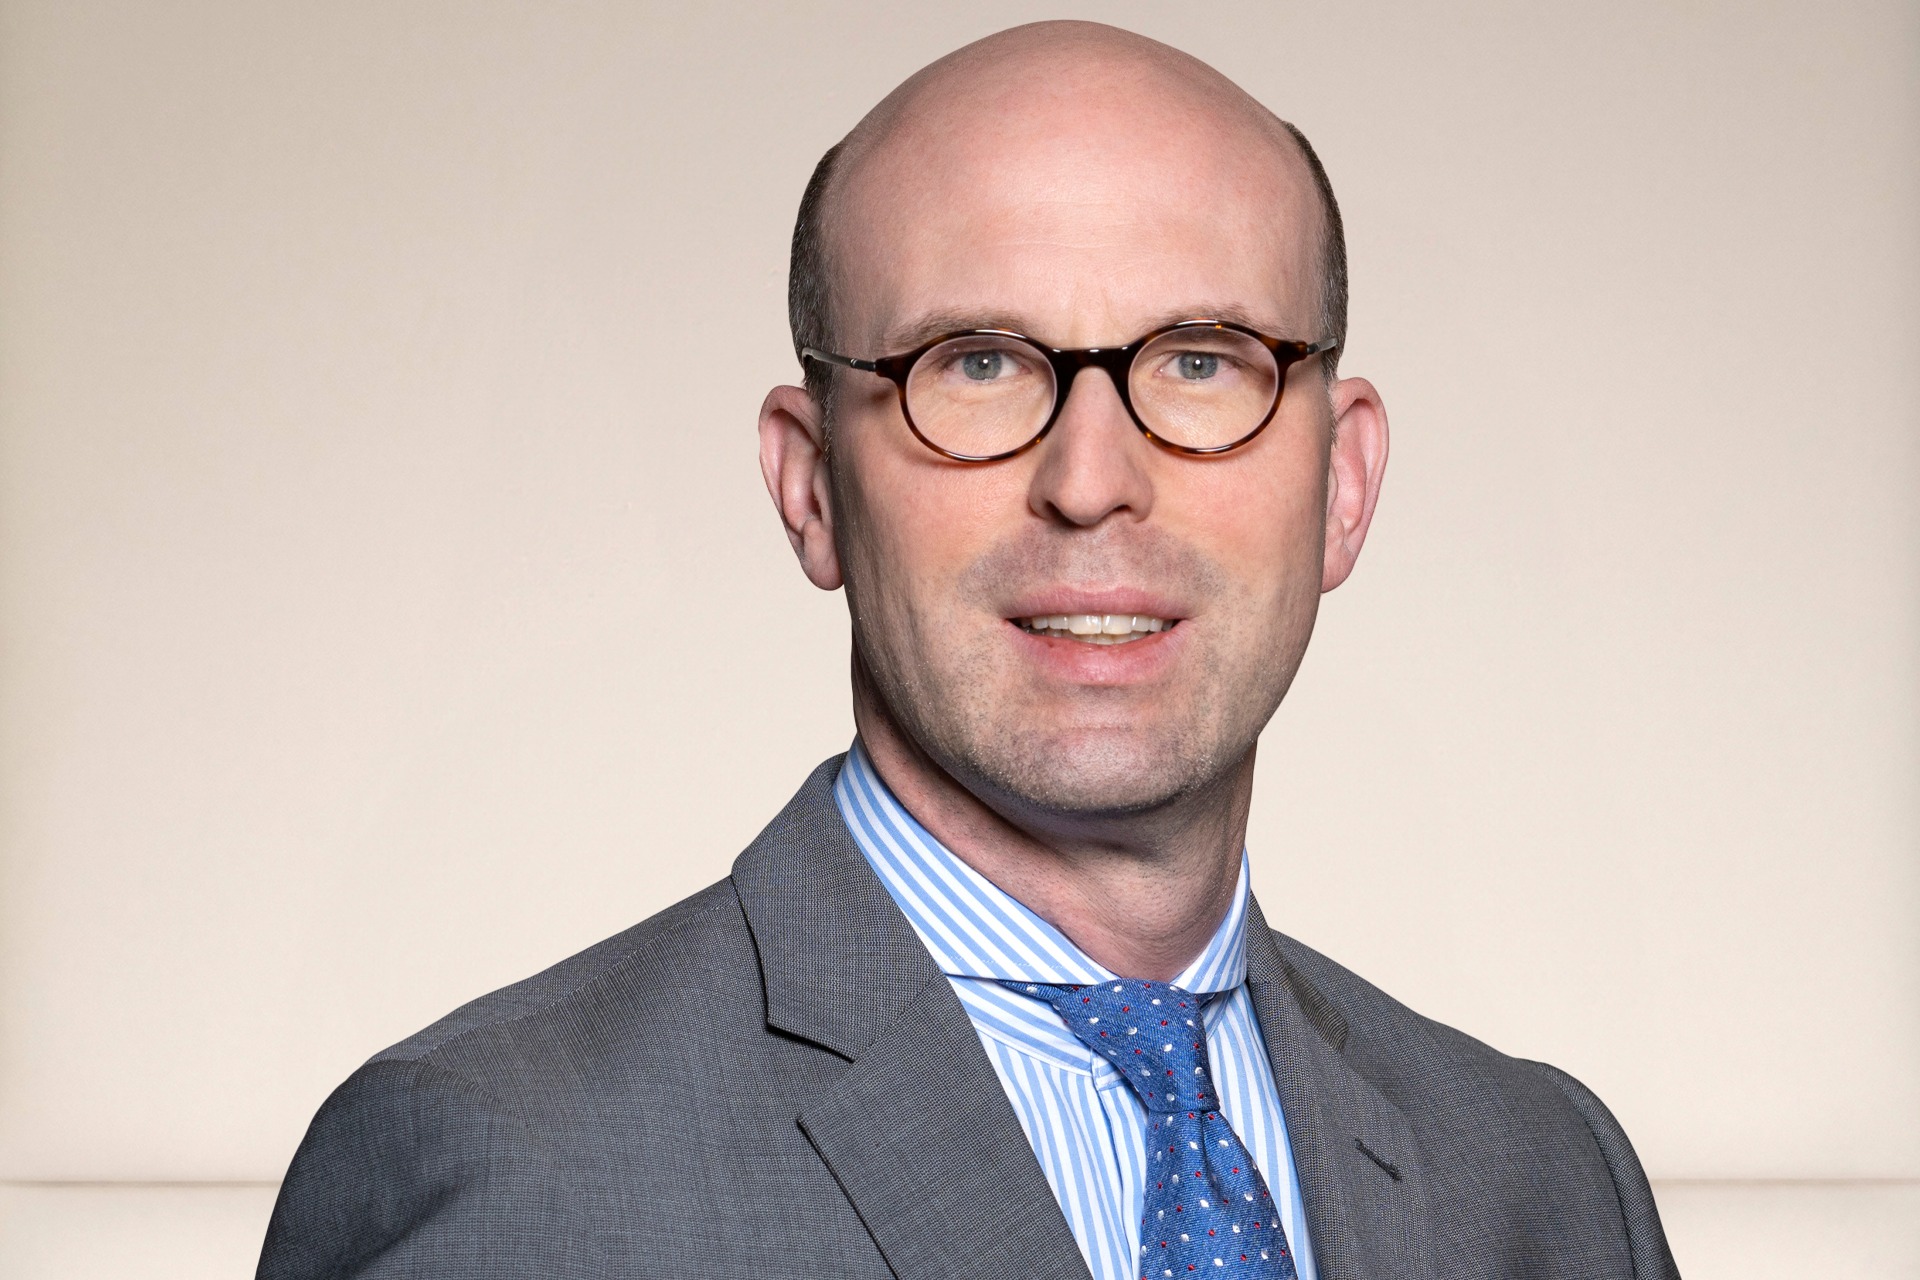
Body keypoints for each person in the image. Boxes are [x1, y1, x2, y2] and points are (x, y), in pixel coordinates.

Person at [258, 21, 1677, 1280]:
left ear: (1344, 486)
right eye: (979, 364)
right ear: (812, 485)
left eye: (1201, 360)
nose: (1091, 480)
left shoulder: (1548, 1186)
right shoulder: (520, 1178)